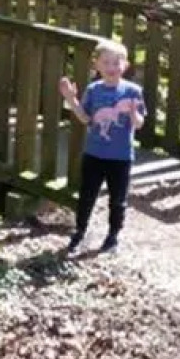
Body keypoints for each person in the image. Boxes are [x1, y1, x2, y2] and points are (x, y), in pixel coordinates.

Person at [58, 39, 146, 254]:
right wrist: (70, 99)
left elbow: (139, 124)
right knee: (87, 195)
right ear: (96, 65)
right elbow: (85, 118)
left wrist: (133, 113)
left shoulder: (133, 91)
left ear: (125, 65)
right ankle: (80, 231)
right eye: (106, 62)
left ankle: (113, 236)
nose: (111, 67)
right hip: (94, 153)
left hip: (121, 156)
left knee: (118, 200)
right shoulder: (93, 89)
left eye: (116, 63)